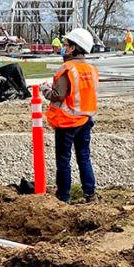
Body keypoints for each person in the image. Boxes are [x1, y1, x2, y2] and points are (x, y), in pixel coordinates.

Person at [42, 28, 99, 203]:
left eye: (66, 45)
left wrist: (45, 89)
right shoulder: (91, 69)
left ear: (73, 48)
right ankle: (90, 195)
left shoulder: (67, 69)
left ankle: (63, 197)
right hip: (86, 119)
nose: (63, 47)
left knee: (63, 161)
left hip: (67, 122)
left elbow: (58, 95)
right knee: (84, 157)